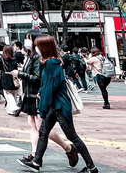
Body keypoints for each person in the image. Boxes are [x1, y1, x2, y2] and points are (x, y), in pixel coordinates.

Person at [18, 35, 97, 173]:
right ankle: (37, 162)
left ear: (44, 48)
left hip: (59, 106)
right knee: (43, 132)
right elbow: (47, 85)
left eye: (37, 45)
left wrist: (42, 107)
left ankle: (91, 167)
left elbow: (50, 88)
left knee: (72, 136)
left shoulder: (51, 64)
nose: (35, 47)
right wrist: (42, 92)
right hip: (55, 106)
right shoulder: (51, 62)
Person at [12, 32, 77, 167]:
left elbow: (38, 78)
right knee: (33, 124)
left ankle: (68, 148)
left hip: (38, 95)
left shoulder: (40, 58)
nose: (26, 41)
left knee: (42, 127)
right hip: (29, 95)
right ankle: (34, 154)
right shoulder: (30, 56)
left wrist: (20, 74)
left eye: (29, 39)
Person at [0, 45, 20, 116]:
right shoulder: (15, 60)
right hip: (14, 77)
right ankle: (11, 110)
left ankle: (13, 108)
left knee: (8, 94)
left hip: (5, 77)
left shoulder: (1, 59)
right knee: (14, 94)